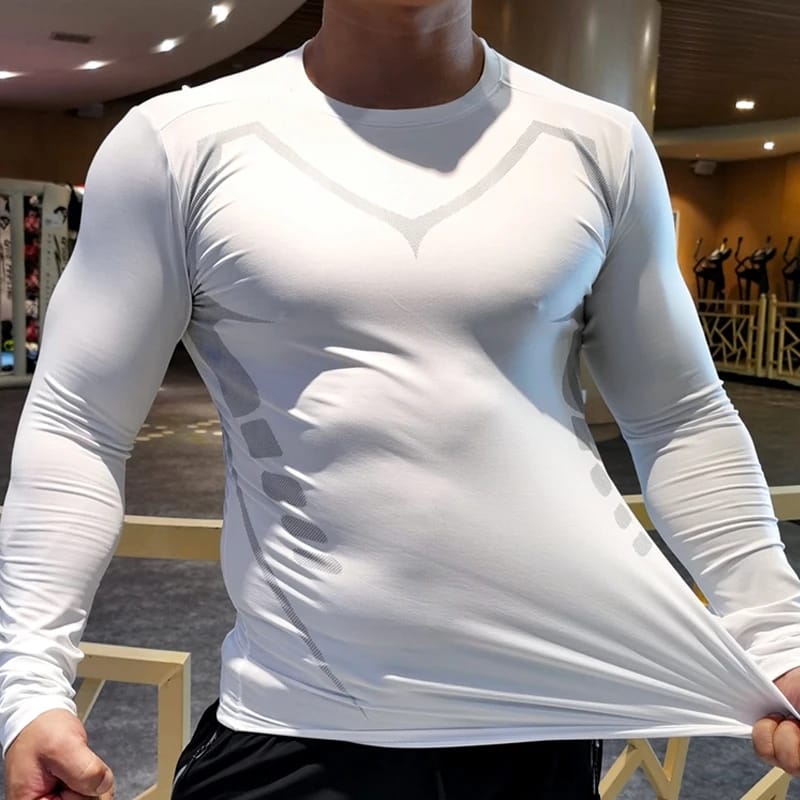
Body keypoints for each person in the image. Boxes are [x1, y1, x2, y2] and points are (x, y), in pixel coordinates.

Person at [3, 1, 800, 798]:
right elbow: (79, 422)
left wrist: (778, 634)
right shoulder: (178, 143)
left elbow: (679, 416)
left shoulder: (600, 143)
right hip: (298, 728)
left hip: (539, 729)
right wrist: (30, 686)